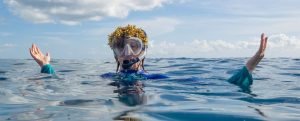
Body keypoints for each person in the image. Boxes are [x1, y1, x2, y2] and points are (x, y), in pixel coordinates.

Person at [29, 25, 268, 102]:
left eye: (134, 46)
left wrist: (248, 68)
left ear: (143, 52)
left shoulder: (155, 80)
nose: (127, 52)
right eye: (120, 47)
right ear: (114, 54)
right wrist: (46, 68)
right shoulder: (107, 79)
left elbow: (214, 86)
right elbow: (65, 87)